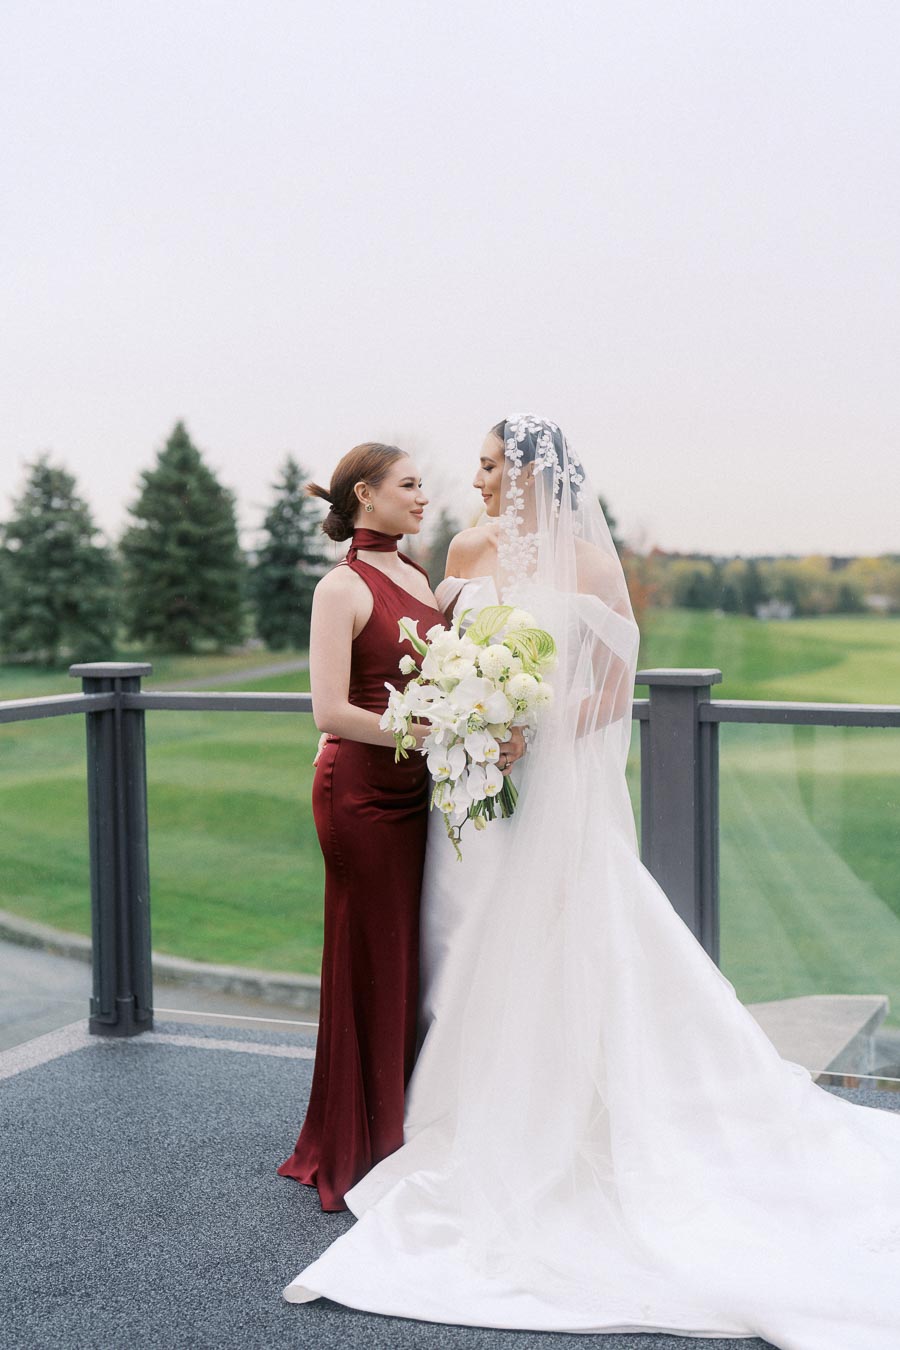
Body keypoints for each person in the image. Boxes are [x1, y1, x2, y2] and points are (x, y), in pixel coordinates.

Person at [282, 418, 900, 1348]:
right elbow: (436, 658)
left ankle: (544, 1123)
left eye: (490, 464)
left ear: (531, 472)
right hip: (470, 793)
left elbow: (613, 684)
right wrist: (469, 720)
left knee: (553, 946)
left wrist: (538, 725)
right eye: (473, 466)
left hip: (542, 784)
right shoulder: (462, 547)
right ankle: (436, 1112)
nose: (475, 479)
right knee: (458, 945)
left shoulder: (590, 564)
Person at [276, 441, 447, 1211]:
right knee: (366, 960)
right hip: (359, 797)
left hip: (418, 794)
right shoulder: (338, 587)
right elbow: (332, 712)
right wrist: (434, 730)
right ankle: (356, 1144)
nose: (423, 497)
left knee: (407, 956)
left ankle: (402, 1126)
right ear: (366, 495)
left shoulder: (418, 574)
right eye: (410, 485)